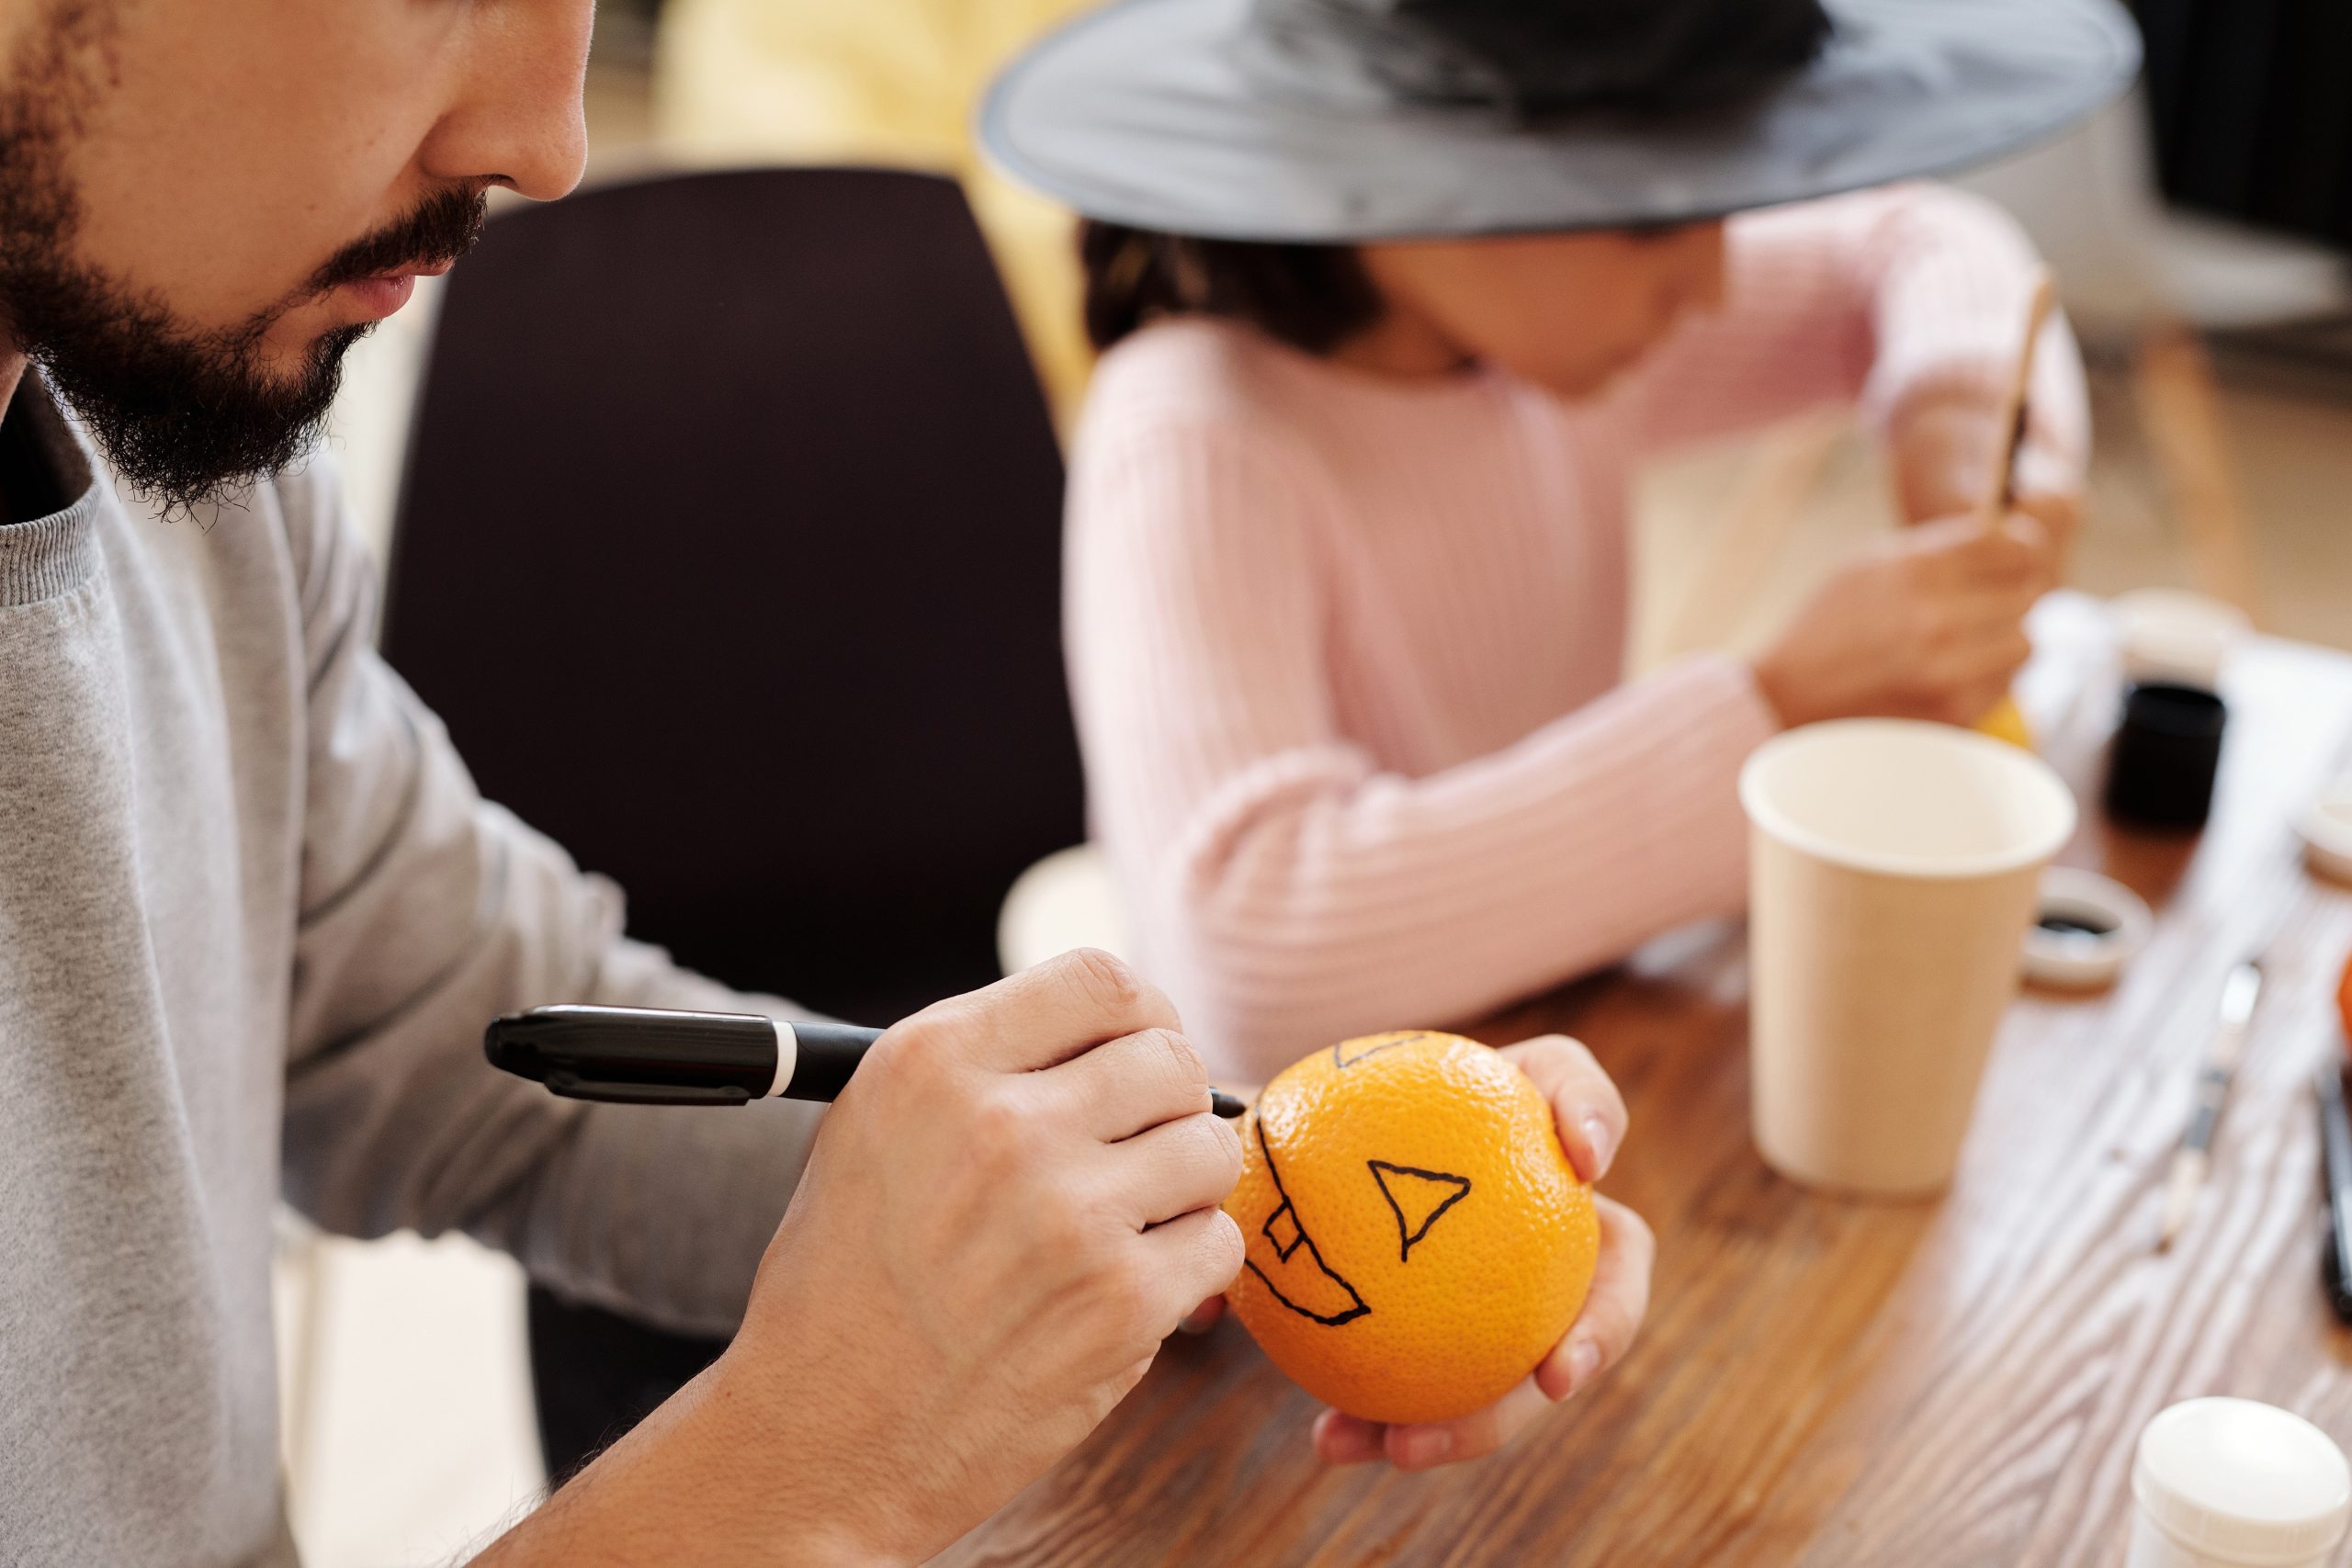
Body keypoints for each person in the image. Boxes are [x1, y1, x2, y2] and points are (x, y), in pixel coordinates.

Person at [0, 1, 1653, 1562]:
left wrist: (1215, 1223)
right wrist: (794, 1472)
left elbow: (487, 1046)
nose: (549, 140)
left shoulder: (190, 478)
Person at [982, 0, 2138, 1076]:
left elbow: (1920, 244)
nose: (1711, 280)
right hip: (1314, 1175)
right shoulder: (1200, 434)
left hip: (1568, 1050)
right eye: (1652, 217)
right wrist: (1775, 709)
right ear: (1403, 168)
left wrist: (1952, 413)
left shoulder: (1531, 336)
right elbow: (1247, 960)